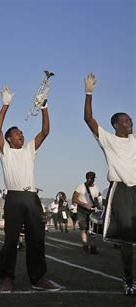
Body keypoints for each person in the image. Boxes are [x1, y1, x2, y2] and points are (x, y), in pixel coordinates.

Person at [0, 86, 61, 292]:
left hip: (32, 197)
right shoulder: (5, 150)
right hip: (14, 197)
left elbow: (45, 131)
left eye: (21, 132)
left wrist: (44, 106)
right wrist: (5, 105)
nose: (20, 135)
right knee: (11, 239)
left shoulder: (29, 149)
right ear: (8, 139)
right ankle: (7, 278)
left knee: (36, 239)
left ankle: (38, 278)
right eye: (16, 133)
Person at [83, 73, 135, 295]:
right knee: (128, 240)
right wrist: (89, 93)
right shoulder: (108, 139)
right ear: (115, 124)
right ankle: (129, 280)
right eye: (125, 120)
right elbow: (89, 119)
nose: (130, 122)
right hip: (121, 191)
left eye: (131, 119)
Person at [72, 171, 101, 254]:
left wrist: (100, 208)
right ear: (86, 178)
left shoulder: (96, 188)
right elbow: (74, 199)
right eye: (88, 178)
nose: (89, 180)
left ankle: (93, 248)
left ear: (94, 179)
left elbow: (95, 200)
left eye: (91, 178)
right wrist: (84, 204)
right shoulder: (80, 187)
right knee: (84, 229)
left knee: (93, 230)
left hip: (91, 210)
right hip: (81, 210)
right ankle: (85, 247)